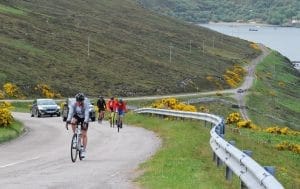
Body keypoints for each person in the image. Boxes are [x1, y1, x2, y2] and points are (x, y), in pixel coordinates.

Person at [66, 93, 90, 158]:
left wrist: (85, 122)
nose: (79, 102)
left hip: (84, 117)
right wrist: (68, 120)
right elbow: (71, 112)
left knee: (84, 134)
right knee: (72, 121)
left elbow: (87, 114)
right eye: (78, 101)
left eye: (80, 101)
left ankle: (84, 150)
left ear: (83, 101)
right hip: (77, 115)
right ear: (76, 100)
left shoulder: (86, 104)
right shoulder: (73, 104)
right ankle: (75, 135)